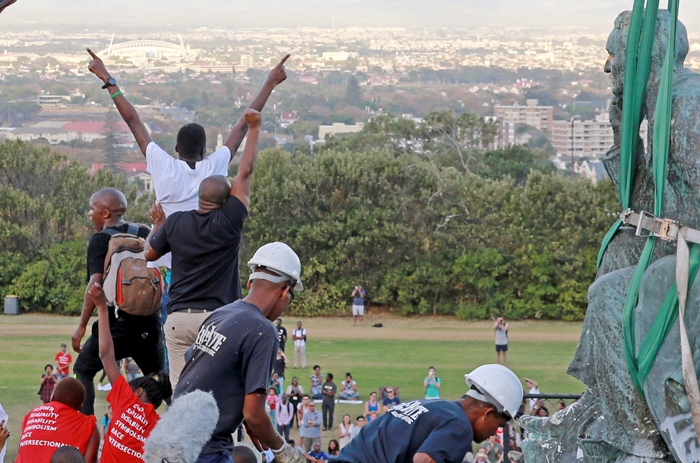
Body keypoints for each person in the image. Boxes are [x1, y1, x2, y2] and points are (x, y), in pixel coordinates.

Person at [85, 47, 289, 269]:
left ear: (175, 149)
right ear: (204, 151)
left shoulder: (163, 167)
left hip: (166, 267)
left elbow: (133, 120)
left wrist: (108, 80)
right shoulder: (214, 169)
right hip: (206, 266)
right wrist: (270, 83)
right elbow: (242, 126)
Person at [144, 109, 263, 389]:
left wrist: (159, 225)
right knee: (219, 391)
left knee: (181, 394)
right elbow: (245, 172)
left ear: (199, 197)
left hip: (178, 321)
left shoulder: (175, 222)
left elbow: (149, 253)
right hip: (219, 319)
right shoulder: (230, 222)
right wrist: (254, 129)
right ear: (226, 201)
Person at [172, 242, 305, 463]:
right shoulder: (264, 330)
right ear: (284, 291)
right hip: (204, 451)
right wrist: (284, 451)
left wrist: (243, 417)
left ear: (250, 282)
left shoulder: (221, 313)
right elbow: (254, 414)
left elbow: (202, 372)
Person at [71, 187, 164, 416]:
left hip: (117, 325)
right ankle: (154, 427)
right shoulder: (143, 231)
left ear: (104, 214)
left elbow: (95, 285)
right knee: (159, 377)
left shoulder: (101, 239)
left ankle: (86, 425)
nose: (89, 215)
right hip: (150, 324)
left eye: (92, 210)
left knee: (82, 369)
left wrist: (82, 326)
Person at [333, 364, 523, 463]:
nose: (494, 433)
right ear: (488, 413)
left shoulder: (433, 407)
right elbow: (424, 460)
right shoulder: (460, 425)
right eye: (499, 426)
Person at [89, 283, 172, 463]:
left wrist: (102, 308)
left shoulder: (128, 402)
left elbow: (106, 355)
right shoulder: (161, 429)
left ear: (139, 391)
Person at [16, 377, 100, 463]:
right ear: (80, 407)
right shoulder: (89, 425)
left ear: (52, 398)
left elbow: (21, 453)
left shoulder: (32, 414)